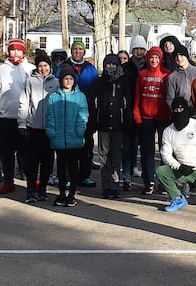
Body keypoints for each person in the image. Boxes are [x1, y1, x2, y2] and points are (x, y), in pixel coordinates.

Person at [0, 38, 36, 194]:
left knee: (27, 151)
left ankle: (30, 178)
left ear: (23, 51)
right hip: (6, 117)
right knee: (7, 152)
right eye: (12, 50)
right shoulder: (0, 70)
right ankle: (8, 180)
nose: (15, 53)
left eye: (18, 50)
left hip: (26, 118)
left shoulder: (31, 69)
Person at [18, 54, 59, 203]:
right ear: (37, 67)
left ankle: (42, 189)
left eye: (46, 66)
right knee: (32, 162)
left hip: (49, 129)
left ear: (50, 67)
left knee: (47, 162)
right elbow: (24, 103)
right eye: (40, 66)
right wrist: (22, 123)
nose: (43, 69)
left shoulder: (56, 83)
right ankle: (30, 190)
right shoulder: (30, 81)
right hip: (33, 127)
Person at [46, 64, 89, 207]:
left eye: (71, 78)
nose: (68, 81)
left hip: (74, 138)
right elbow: (50, 116)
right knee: (61, 168)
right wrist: (51, 132)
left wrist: (80, 130)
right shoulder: (53, 97)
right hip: (58, 138)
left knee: (73, 167)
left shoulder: (80, 96)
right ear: (61, 80)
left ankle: (72, 194)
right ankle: (62, 193)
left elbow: (83, 115)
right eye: (66, 78)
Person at [90, 54, 132, 199]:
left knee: (115, 156)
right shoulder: (99, 82)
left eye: (113, 64)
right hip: (103, 125)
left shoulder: (123, 82)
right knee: (103, 155)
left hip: (118, 126)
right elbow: (94, 104)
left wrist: (127, 122)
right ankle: (106, 186)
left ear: (117, 65)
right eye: (108, 64)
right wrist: (94, 122)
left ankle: (115, 185)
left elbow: (127, 105)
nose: (111, 67)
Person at [134, 46, 172, 194]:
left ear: (160, 58)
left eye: (157, 57)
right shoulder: (142, 74)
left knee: (165, 152)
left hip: (163, 118)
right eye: (152, 57)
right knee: (147, 152)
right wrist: (137, 115)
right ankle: (149, 181)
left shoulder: (166, 74)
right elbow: (137, 96)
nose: (154, 60)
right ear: (148, 58)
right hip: (146, 118)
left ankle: (163, 182)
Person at [67, 41, 100, 188]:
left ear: (84, 52)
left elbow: (96, 90)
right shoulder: (65, 67)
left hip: (87, 112)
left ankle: (84, 176)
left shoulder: (90, 69)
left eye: (80, 49)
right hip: (69, 112)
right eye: (75, 49)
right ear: (71, 51)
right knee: (70, 147)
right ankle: (69, 177)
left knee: (87, 145)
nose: (78, 51)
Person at [121, 35, 148, 186]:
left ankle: (145, 177)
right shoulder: (125, 68)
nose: (138, 51)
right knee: (128, 145)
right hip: (128, 110)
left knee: (143, 145)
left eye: (141, 48)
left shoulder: (149, 66)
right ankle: (127, 176)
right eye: (136, 48)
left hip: (145, 112)